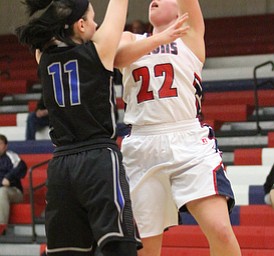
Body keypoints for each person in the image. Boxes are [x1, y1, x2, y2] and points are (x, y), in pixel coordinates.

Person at [114, 0, 242, 256]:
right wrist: (160, 38)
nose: (154, 0)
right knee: (146, 248)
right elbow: (116, 58)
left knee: (221, 230)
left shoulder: (190, 35)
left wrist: (170, 36)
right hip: (142, 144)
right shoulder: (129, 37)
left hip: (189, 140)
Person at [16, 0, 141, 255]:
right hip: (98, 158)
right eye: (93, 19)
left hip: (61, 166)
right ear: (80, 24)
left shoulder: (43, 56)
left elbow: (54, 30)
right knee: (120, 246)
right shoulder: (99, 51)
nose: (97, 24)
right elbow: (119, 5)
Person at [0, 134, 27, 226]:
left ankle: (1, 226)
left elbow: (22, 166)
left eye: (0, 144)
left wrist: (8, 178)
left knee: (2, 191)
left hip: (14, 191)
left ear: (6, 146)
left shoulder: (11, 156)